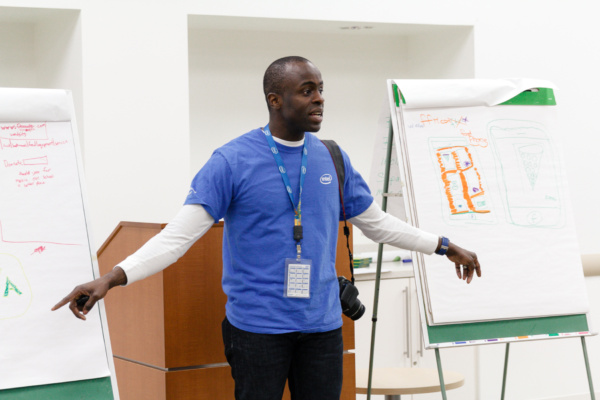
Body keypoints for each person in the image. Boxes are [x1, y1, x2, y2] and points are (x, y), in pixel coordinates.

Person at [53, 56, 481, 400]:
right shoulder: (231, 161)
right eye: (307, 90)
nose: (319, 99)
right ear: (275, 99)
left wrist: (444, 246)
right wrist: (112, 278)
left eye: (321, 89)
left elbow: (377, 223)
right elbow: (177, 238)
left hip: (323, 328)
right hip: (257, 332)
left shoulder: (332, 158)